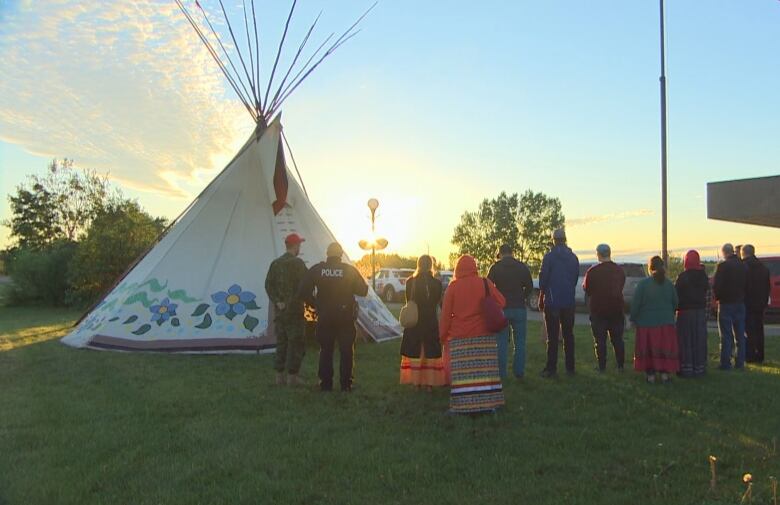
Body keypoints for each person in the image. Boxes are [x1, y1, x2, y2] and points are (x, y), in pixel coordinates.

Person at [439, 255, 506, 414]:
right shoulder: (485, 283)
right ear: (474, 267)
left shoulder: (453, 287)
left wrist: (441, 336)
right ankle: (489, 404)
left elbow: (446, 316)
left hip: (460, 337)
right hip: (484, 335)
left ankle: (462, 405)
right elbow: (502, 302)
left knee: (463, 376)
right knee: (484, 371)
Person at [298, 242, 368, 392]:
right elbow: (363, 290)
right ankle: (346, 385)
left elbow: (303, 290)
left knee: (326, 350)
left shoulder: (318, 269)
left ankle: (325, 384)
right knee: (346, 350)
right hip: (346, 316)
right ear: (341, 255)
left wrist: (315, 304)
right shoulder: (348, 270)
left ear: (327, 254)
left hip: (325, 316)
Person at [265, 233, 308, 386]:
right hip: (295, 311)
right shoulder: (298, 264)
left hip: (280, 312)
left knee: (281, 343)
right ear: (296, 246)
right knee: (296, 343)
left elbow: (268, 285)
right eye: (299, 245)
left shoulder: (275, 264)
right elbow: (305, 285)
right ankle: (292, 377)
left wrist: (278, 301)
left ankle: (279, 376)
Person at [399, 255, 446, 389]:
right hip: (430, 319)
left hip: (415, 320)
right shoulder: (437, 284)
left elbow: (409, 300)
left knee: (415, 350)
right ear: (431, 265)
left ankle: (416, 382)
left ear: (418, 265)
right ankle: (429, 383)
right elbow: (437, 301)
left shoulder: (410, 282)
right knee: (430, 351)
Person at [631, 256, 679, 383]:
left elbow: (636, 304)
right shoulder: (669, 284)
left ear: (650, 268)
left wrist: (633, 318)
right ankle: (664, 375)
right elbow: (676, 303)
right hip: (666, 323)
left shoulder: (643, 285)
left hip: (646, 324)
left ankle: (650, 375)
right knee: (664, 349)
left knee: (649, 349)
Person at [487, 244, 533, 379]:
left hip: (502, 309)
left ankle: (502, 374)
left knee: (501, 342)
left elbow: (488, 287)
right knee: (520, 342)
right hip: (519, 307)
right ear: (512, 253)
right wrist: (522, 297)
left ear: (500, 254)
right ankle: (519, 372)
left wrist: (497, 300)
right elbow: (529, 287)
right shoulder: (522, 267)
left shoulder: (495, 268)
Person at [538, 228, 579, 377]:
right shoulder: (573, 257)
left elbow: (543, 279)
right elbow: (574, 278)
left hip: (552, 301)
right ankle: (570, 368)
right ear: (565, 239)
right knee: (569, 335)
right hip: (568, 301)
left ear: (554, 240)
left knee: (553, 336)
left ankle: (551, 369)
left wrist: (542, 295)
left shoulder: (549, 257)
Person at [582, 243, 626, 372]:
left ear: (598, 254)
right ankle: (620, 365)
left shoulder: (593, 271)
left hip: (598, 310)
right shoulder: (618, 270)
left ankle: (602, 366)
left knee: (600, 340)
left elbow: (587, 289)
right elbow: (621, 285)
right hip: (616, 309)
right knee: (618, 339)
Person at [712, 243, 748, 370]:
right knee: (740, 335)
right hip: (740, 302)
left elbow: (717, 285)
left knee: (726, 335)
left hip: (726, 303)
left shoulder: (722, 266)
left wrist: (717, 298)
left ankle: (725, 363)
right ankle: (740, 362)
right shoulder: (743, 266)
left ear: (724, 253)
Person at [674, 250, 709, 378]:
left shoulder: (682, 277)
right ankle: (700, 368)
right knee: (699, 340)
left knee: (685, 341)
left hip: (684, 313)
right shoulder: (703, 276)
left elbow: (675, 296)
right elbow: (707, 293)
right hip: (699, 312)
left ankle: (686, 368)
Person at [742, 244, 770, 363]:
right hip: (760, 303)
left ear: (744, 253)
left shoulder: (744, 267)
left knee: (748, 330)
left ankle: (750, 355)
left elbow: (743, 286)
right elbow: (767, 287)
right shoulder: (763, 267)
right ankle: (760, 355)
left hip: (747, 303)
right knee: (759, 330)